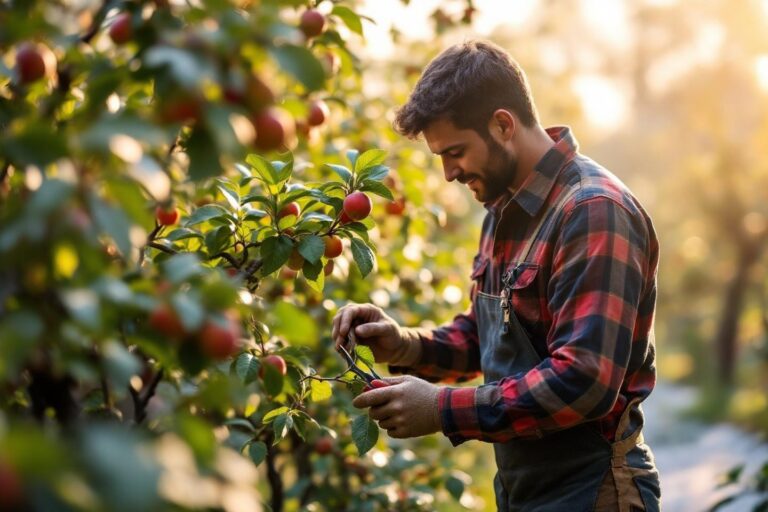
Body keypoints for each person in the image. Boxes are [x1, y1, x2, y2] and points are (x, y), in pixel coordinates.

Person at [332, 40, 661, 512]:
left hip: (593, 488)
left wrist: (441, 409)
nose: (448, 173)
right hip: (522, 491)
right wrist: (403, 344)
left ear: (503, 124)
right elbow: (486, 336)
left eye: (456, 152)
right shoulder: (503, 207)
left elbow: (585, 381)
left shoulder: (592, 211)